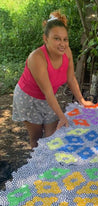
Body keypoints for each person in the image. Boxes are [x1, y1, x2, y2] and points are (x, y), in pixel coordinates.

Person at [12, 10, 93, 148]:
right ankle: (37, 167)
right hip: (28, 99)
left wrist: (82, 100)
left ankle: (52, 167)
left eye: (65, 39)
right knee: (36, 139)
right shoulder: (37, 58)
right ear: (45, 39)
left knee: (53, 137)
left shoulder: (67, 52)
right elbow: (48, 92)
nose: (62, 43)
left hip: (48, 98)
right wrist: (62, 116)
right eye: (56, 38)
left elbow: (71, 78)